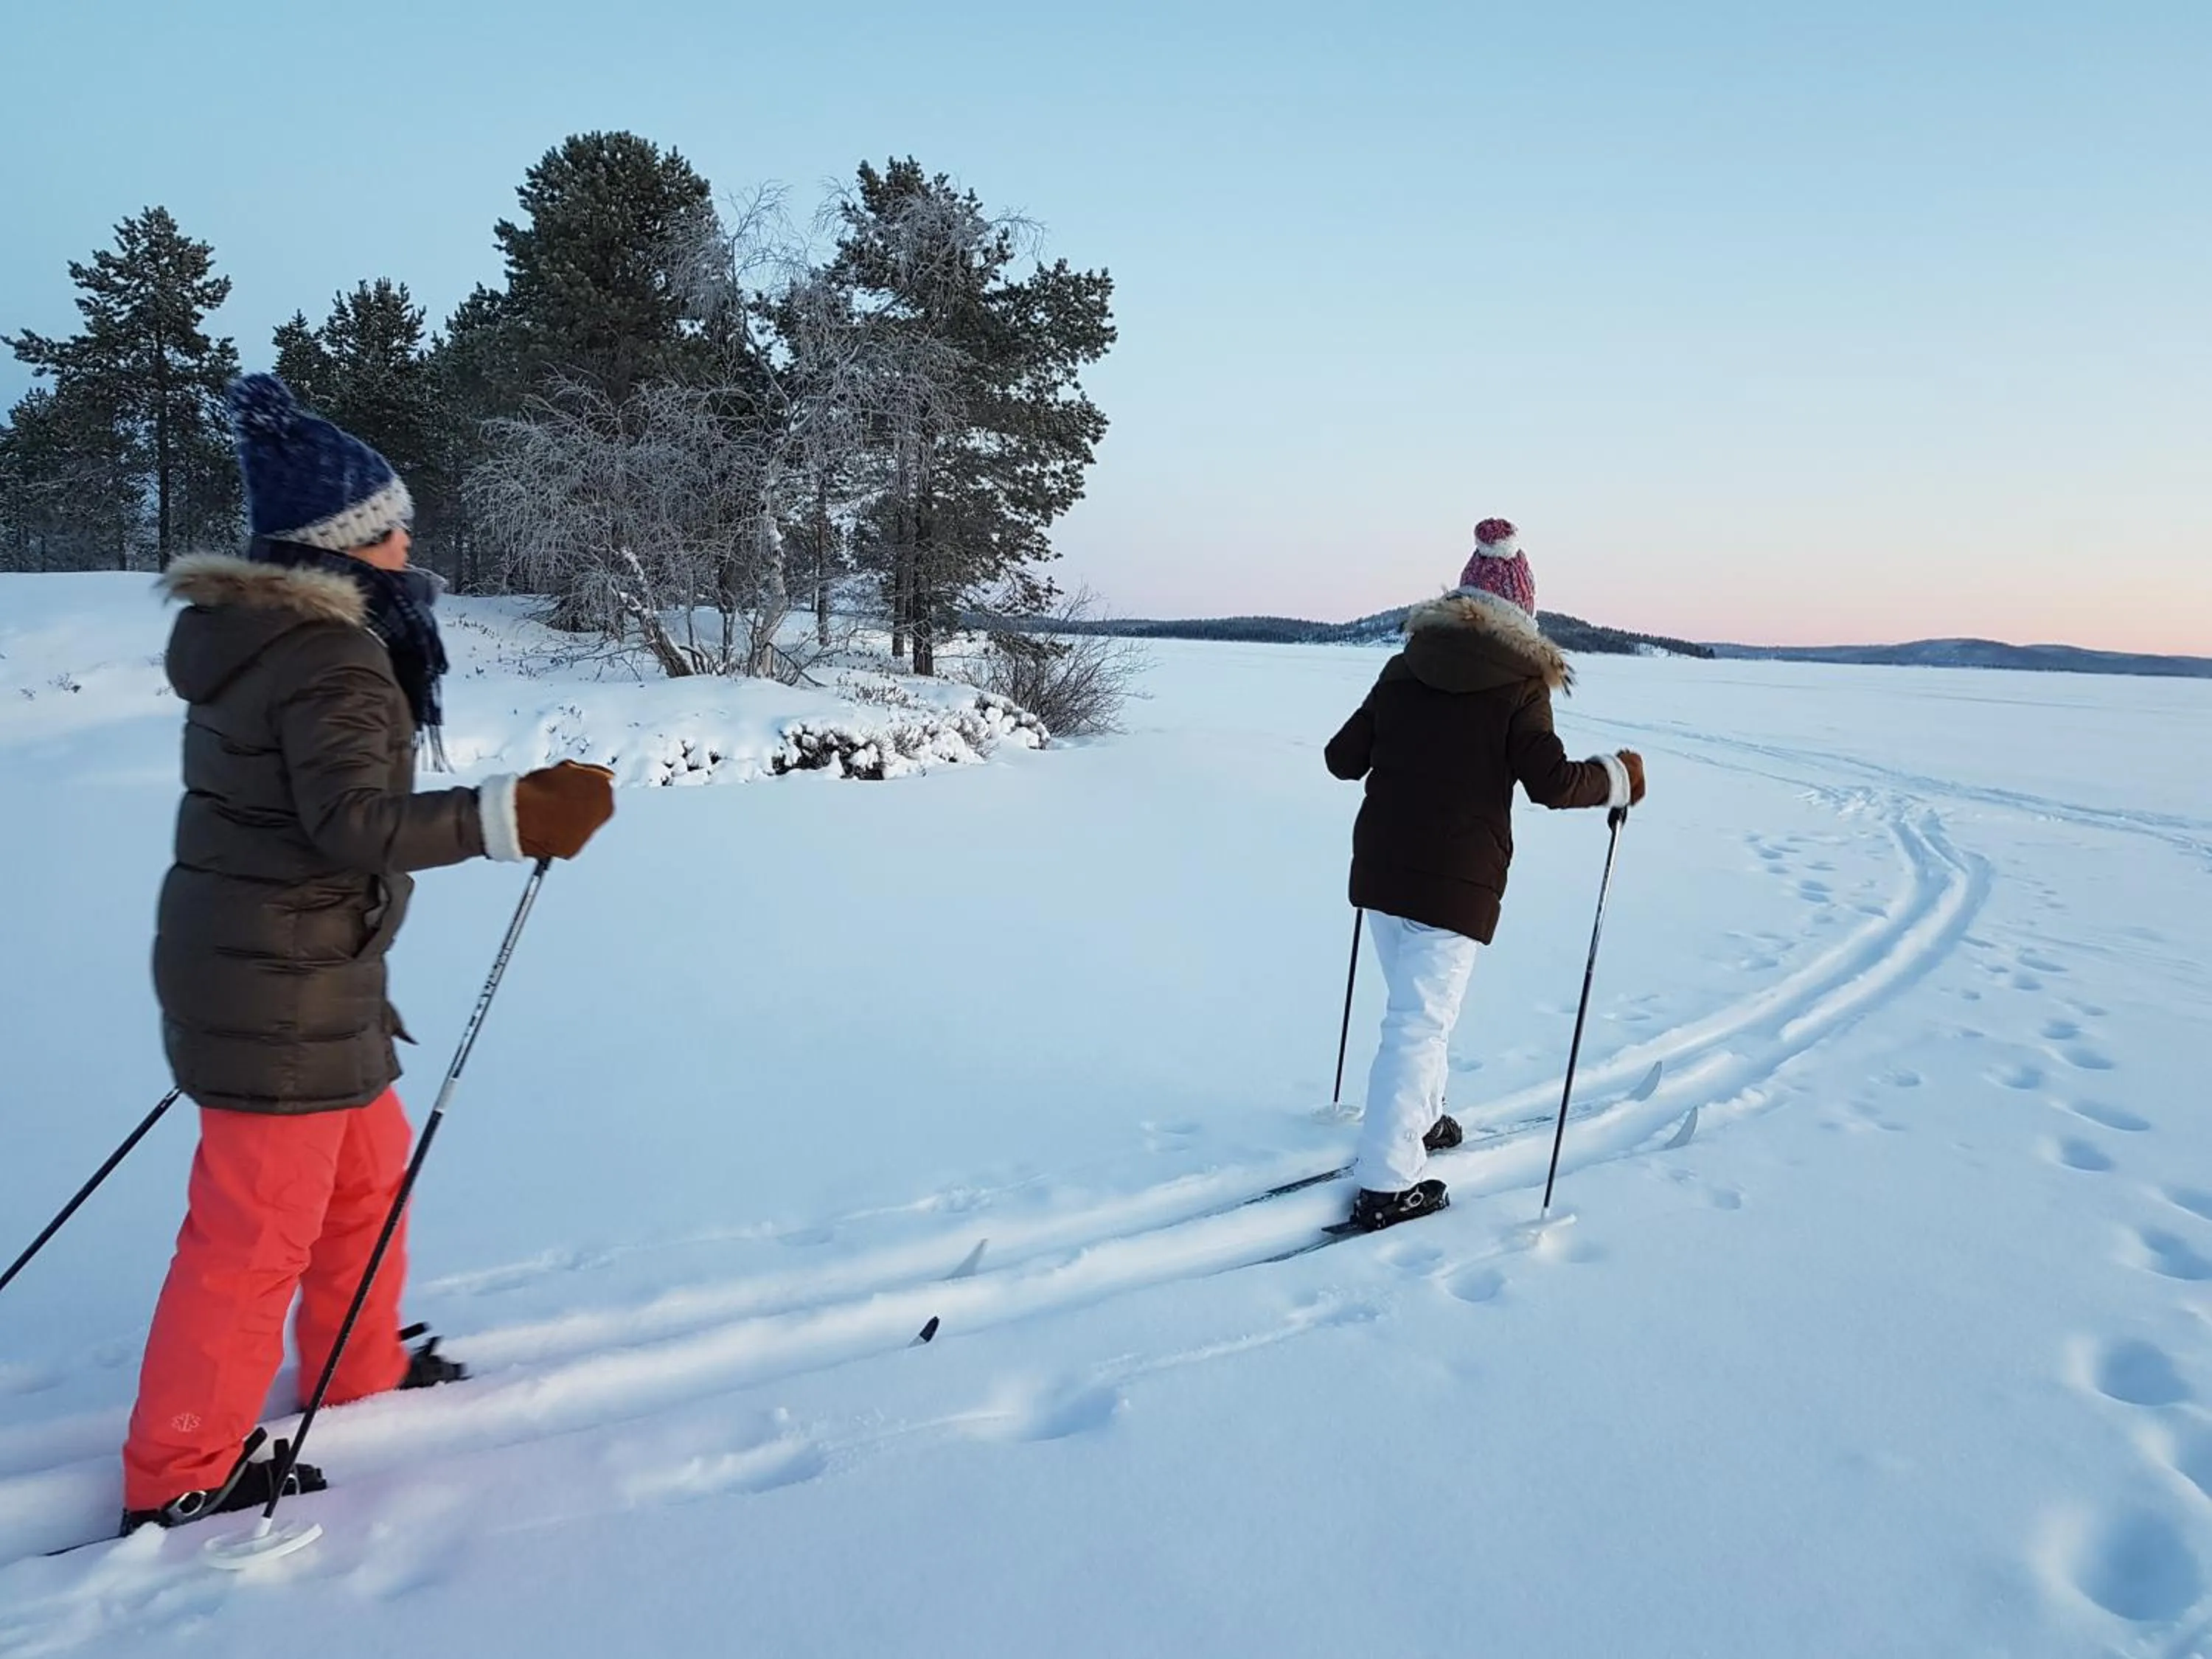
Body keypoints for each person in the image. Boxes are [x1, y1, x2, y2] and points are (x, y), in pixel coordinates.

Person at [120, 374, 616, 1532]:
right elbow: (351, 825)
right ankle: (181, 1467)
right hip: (276, 977)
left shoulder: (279, 639)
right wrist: (511, 817)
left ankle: (357, 1368)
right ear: (338, 546)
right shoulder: (328, 656)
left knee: (362, 1183)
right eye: (391, 525)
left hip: (299, 964)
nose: (409, 541)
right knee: (253, 1233)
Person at [1324, 518, 1646, 1231]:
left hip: (1381, 871)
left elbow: (1342, 758)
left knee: (1414, 1015)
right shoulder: (1522, 682)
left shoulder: (1405, 664)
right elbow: (1553, 783)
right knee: (1419, 1025)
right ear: (1521, 614)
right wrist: (1617, 778)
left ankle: (1422, 1120)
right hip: (1456, 880)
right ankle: (1385, 1181)